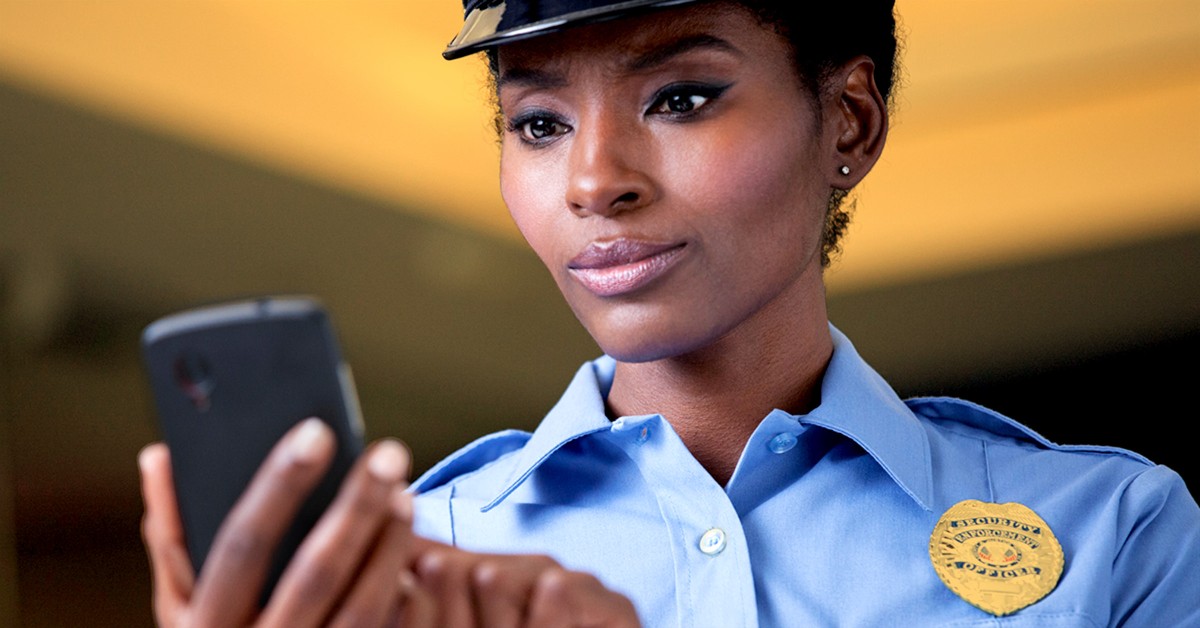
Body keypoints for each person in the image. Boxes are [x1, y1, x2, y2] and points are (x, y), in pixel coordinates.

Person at [139, 0, 1200, 626]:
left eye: (681, 97)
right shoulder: (405, 565)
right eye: (539, 121)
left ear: (851, 119)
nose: (594, 181)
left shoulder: (1111, 534)